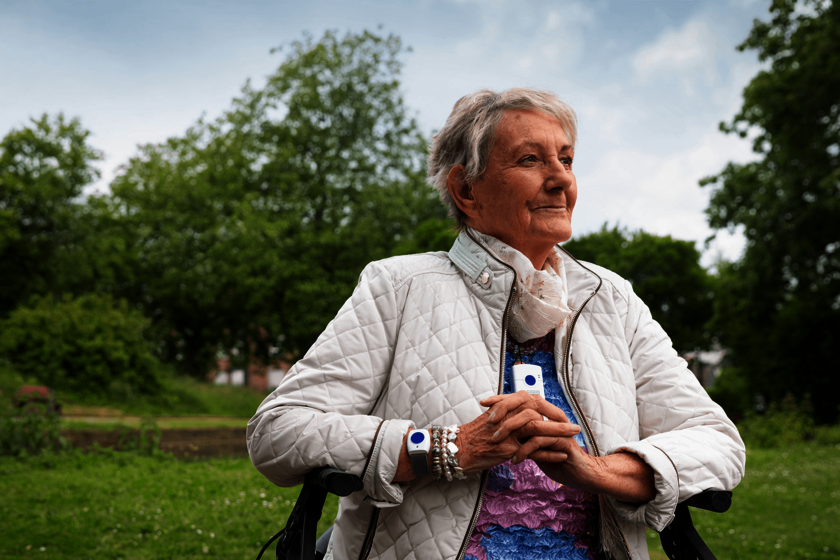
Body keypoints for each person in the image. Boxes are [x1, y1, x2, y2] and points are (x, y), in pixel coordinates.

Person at [247, 88, 745, 560]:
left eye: (566, 160)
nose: (561, 179)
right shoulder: (399, 286)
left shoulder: (609, 298)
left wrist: (593, 470)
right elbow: (278, 430)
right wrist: (447, 448)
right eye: (531, 160)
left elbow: (718, 443)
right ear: (465, 189)